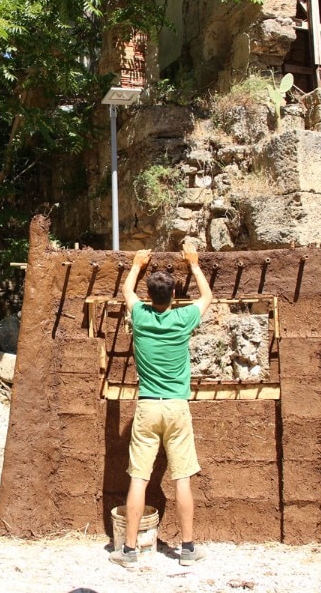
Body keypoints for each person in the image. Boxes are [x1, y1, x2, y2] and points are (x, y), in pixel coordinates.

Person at [109, 241, 213, 568]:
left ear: (150, 296)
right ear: (173, 296)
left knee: (139, 478)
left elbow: (126, 291)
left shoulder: (140, 317)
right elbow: (207, 297)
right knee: (182, 479)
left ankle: (129, 551)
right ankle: (187, 549)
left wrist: (137, 264)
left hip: (148, 406)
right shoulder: (183, 318)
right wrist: (194, 263)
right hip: (177, 406)